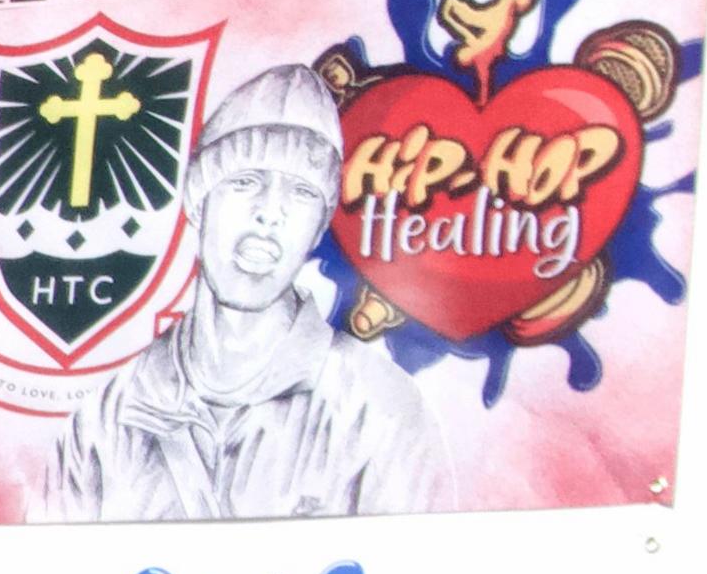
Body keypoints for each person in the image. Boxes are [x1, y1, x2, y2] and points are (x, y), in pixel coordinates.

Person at [38, 62, 445, 522]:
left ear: (317, 230)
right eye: (245, 181)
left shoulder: (380, 411)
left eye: (301, 192)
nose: (270, 212)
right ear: (198, 201)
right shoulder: (105, 417)